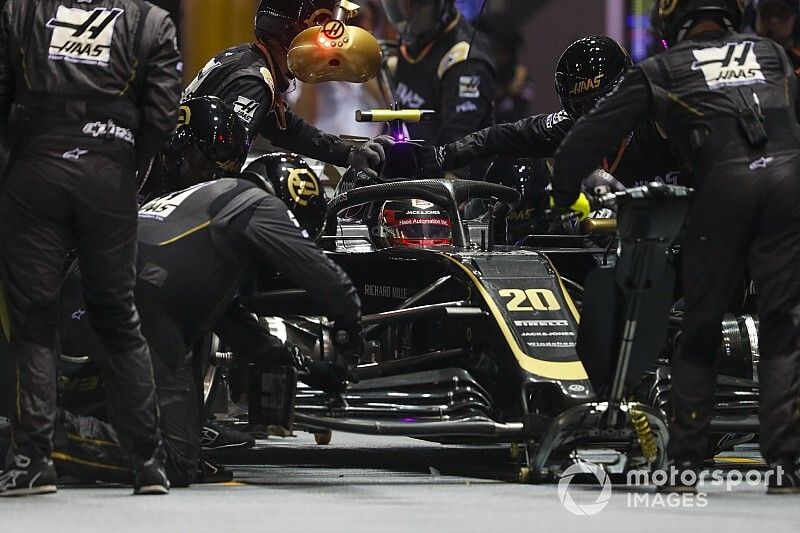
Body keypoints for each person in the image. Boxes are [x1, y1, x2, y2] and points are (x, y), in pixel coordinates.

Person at [551, 0, 800, 493]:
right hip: (790, 184)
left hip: (724, 187)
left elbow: (579, 144)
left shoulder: (661, 68)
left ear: (669, 18)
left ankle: (685, 466)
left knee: (700, 329)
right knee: (783, 324)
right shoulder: (772, 53)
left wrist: (564, 200)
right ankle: (788, 466)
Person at [50, 96, 362, 487]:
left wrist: (304, 367)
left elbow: (235, 324)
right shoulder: (257, 204)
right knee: (176, 462)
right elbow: (330, 282)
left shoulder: (193, 203)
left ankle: (53, 428)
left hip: (83, 300)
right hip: (137, 307)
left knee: (191, 343)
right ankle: (32, 433)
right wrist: (351, 331)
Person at [0, 0, 182, 496]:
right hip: (110, 169)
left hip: (37, 164)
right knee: (118, 315)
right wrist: (123, 163)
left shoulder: (20, 11)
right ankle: (149, 462)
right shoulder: (151, 21)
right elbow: (163, 116)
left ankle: (33, 459)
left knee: (34, 319)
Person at [422, 36, 682, 191]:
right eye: (581, 107)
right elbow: (503, 136)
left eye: (602, 103)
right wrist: (441, 155)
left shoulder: (663, 121)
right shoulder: (574, 126)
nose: (593, 116)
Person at [182, 0, 390, 180]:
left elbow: (290, 130)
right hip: (183, 195)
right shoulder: (255, 83)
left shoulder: (246, 58)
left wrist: (350, 154)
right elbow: (220, 163)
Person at [381, 0, 496, 177]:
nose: (408, 18)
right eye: (400, 8)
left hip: (451, 182)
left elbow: (460, 152)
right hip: (410, 170)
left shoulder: (466, 62)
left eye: (419, 7)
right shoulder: (414, 39)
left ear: (444, 6)